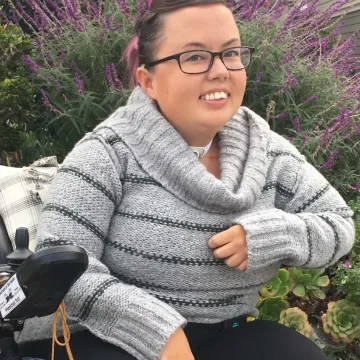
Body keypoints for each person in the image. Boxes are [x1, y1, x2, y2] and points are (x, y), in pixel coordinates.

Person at [17, 1, 355, 359]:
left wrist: (273, 235)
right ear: (148, 80)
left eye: (231, 52)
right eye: (194, 57)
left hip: (227, 334)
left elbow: (338, 224)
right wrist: (156, 331)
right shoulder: (107, 153)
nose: (220, 70)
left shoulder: (268, 152)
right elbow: (63, 268)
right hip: (106, 336)